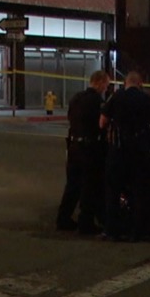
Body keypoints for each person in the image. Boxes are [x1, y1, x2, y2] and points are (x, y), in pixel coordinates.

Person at [99, 70, 150, 241]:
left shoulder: (115, 97)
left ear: (125, 83)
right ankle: (136, 232)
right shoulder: (148, 100)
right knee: (138, 192)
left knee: (113, 192)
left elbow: (102, 122)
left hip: (117, 150)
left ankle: (111, 230)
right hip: (139, 152)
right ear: (140, 84)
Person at [56, 70, 111, 234]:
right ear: (99, 83)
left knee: (72, 185)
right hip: (90, 148)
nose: (106, 89)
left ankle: (63, 218)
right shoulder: (98, 102)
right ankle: (86, 223)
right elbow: (101, 125)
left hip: (74, 146)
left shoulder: (76, 98)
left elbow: (70, 118)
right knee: (89, 186)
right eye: (106, 85)